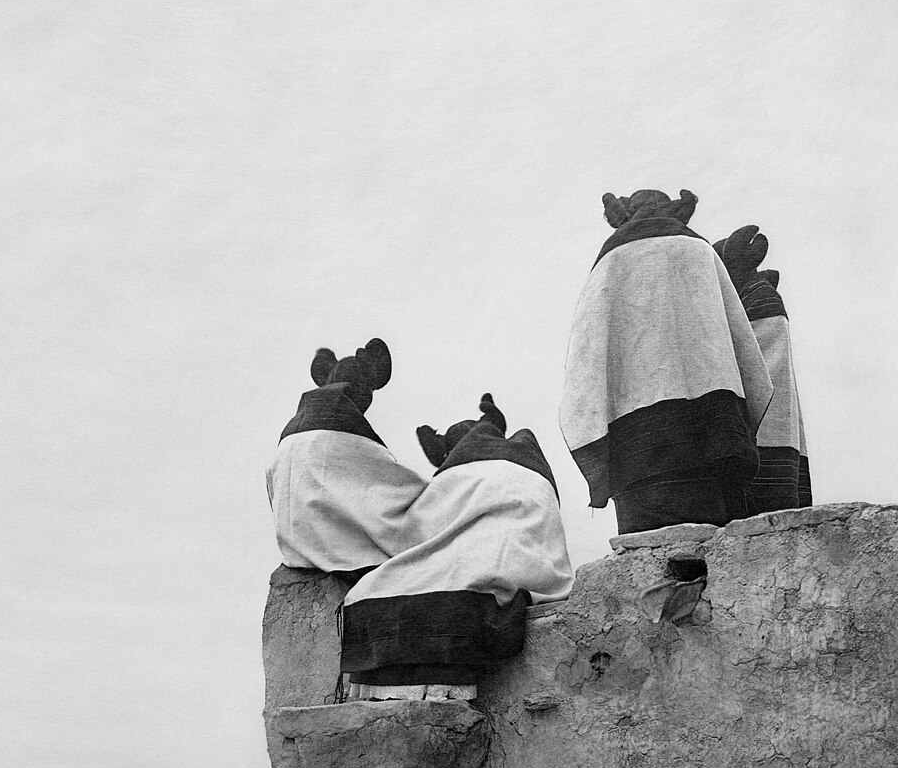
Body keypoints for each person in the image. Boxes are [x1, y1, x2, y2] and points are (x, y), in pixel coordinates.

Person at [560, 188, 774, 534]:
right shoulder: (699, 251)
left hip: (640, 446)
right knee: (719, 543)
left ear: (625, 215)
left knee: (651, 552)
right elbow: (744, 348)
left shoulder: (613, 259)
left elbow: (588, 352)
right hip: (716, 430)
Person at [339, 395, 574, 700]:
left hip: (491, 553)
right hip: (530, 558)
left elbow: (422, 528)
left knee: (376, 588)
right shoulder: (530, 462)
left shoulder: (456, 473)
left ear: (447, 452)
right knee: (469, 582)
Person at [266, 338, 426, 584]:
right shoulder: (345, 435)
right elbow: (391, 491)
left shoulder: (289, 439)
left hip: (297, 548)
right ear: (362, 390)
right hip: (340, 554)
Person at [713, 226, 811, 513]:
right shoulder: (759, 295)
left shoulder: (756, 300)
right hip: (779, 432)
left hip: (762, 432)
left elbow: (752, 369)